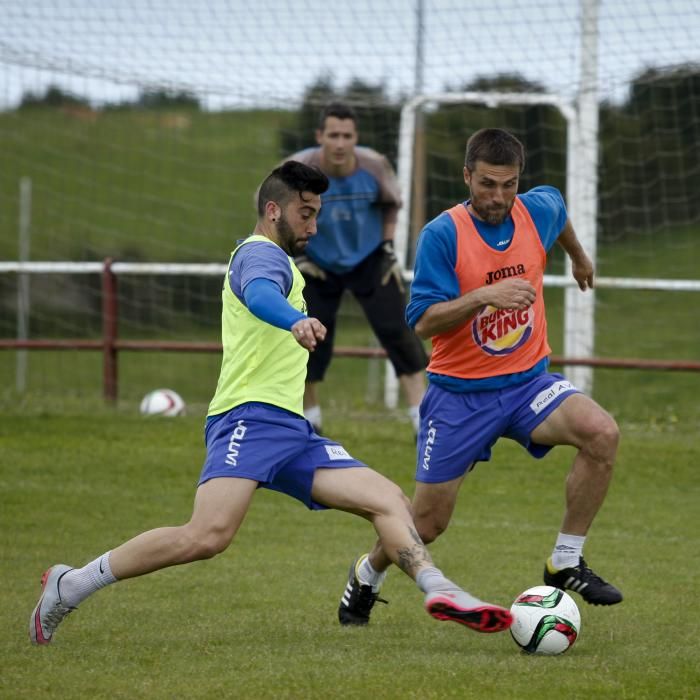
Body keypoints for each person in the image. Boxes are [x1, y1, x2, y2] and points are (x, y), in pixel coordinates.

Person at [29, 160, 513, 646]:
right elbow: (260, 294)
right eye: (306, 214)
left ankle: (439, 588)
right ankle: (72, 584)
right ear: (274, 210)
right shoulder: (259, 255)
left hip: (290, 430)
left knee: (388, 499)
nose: (314, 226)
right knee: (207, 536)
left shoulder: (282, 262)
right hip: (248, 418)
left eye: (317, 215)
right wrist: (293, 321)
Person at [337, 128, 623, 627]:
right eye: (487, 184)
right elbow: (422, 322)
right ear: (467, 175)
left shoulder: (538, 209)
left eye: (509, 185)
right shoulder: (443, 235)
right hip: (459, 397)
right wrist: (482, 298)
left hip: (528, 385)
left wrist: (578, 256)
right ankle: (367, 573)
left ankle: (565, 560)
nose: (498, 197)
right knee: (427, 523)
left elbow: (559, 217)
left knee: (602, 433)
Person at [286, 101, 428, 435]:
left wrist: (388, 246)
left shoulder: (374, 165)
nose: (339, 143)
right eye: (333, 135)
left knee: (400, 333)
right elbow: (272, 209)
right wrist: (297, 255)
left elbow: (392, 205)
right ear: (319, 136)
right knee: (309, 339)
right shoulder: (297, 168)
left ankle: (423, 423)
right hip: (316, 263)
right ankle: (311, 422)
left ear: (355, 138)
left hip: (369, 258)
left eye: (346, 135)